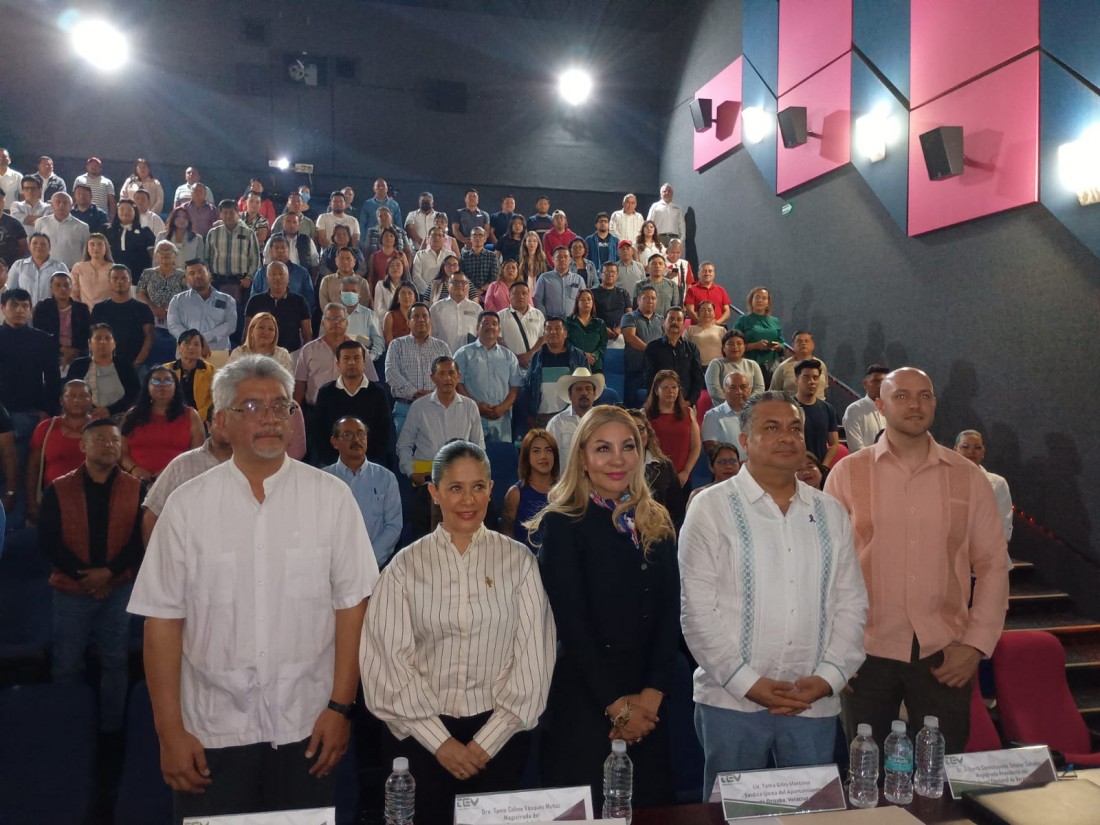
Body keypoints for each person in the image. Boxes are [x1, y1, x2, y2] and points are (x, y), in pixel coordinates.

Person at [129, 355, 379, 820]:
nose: (269, 417)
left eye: (280, 405)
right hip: (211, 730)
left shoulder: (331, 498)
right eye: (251, 406)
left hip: (308, 725)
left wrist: (340, 708)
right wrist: (169, 732)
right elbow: (161, 621)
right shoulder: (187, 506)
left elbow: (352, 608)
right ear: (221, 422)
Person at [361, 440, 555, 825]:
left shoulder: (519, 562)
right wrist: (442, 743)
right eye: (455, 488)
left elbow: (534, 662)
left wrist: (486, 744)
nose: (468, 500)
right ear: (434, 492)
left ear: (491, 489)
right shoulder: (404, 568)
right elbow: (386, 666)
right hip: (420, 739)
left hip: (501, 738)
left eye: (478, 486)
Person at [680, 392, 867, 787]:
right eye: (771, 427)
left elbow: (851, 602)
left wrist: (829, 677)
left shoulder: (829, 511)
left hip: (811, 701)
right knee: (731, 811)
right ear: (744, 441)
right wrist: (749, 684)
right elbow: (697, 612)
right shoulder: (710, 507)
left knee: (811, 809)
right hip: (730, 700)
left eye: (795, 428)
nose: (787, 436)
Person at [824, 367, 1010, 755]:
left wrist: (975, 644)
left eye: (925, 396)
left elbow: (992, 565)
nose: (915, 405)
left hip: (945, 651)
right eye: (902, 396)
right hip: (864, 651)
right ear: (880, 406)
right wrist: (832, 648)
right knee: (867, 774)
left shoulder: (967, 477)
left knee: (942, 771)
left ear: (935, 404)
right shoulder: (847, 472)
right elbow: (824, 566)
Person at [529, 406, 679, 807]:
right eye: (602, 448)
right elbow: (573, 625)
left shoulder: (656, 519)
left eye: (628, 447)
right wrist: (618, 707)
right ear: (581, 457)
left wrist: (651, 697)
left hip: (649, 708)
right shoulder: (563, 523)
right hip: (587, 701)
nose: (618, 459)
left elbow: (670, 615)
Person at [40, 418, 144, 736]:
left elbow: (139, 542)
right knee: (67, 663)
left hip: (118, 588)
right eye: (100, 439)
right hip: (71, 590)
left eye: (114, 440)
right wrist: (86, 577)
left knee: (115, 661)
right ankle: (69, 730)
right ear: (83, 445)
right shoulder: (59, 488)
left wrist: (109, 573)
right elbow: (49, 542)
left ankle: (112, 731)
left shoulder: (136, 488)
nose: (109, 445)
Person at [140, 411, 233, 545]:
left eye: (231, 420)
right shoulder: (183, 464)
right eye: (219, 420)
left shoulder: (254, 466)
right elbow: (152, 514)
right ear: (208, 426)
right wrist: (156, 555)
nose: (226, 425)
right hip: (189, 552)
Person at [322, 416, 402, 569]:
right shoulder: (323, 479)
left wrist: (369, 560)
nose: (356, 439)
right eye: (348, 435)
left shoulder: (386, 478)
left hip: (375, 566)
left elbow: (393, 525)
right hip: (332, 566)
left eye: (361, 434)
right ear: (334, 441)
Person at [397, 356, 484, 487]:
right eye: (441, 374)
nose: (447, 378)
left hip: (460, 475)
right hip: (425, 475)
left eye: (451, 373)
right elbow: (404, 444)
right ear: (432, 378)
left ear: (458, 376)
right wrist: (411, 472)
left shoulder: (470, 406)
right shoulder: (419, 406)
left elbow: (479, 446)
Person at [312, 341, 394, 468]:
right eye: (346, 358)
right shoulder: (326, 392)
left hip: (370, 465)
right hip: (333, 465)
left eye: (357, 358)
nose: (352, 363)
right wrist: (334, 465)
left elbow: (384, 433)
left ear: (364, 363)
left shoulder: (377, 393)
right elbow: (319, 432)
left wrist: (368, 464)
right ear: (338, 364)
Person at [119, 367, 206, 483]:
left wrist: (171, 471)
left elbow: (198, 453)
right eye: (156, 381)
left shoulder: (190, 415)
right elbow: (121, 452)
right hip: (136, 481)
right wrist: (134, 469)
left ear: (175, 386)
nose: (162, 385)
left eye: (168, 381)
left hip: (179, 480)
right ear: (147, 386)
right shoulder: (132, 415)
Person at [26, 380, 94, 525]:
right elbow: (33, 468)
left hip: (93, 501)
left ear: (91, 400)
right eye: (71, 396)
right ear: (61, 401)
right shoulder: (45, 428)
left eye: (83, 395)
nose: (77, 400)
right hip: (53, 501)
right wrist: (32, 502)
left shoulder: (103, 428)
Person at [454, 311, 523, 443]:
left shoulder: (509, 356)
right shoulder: (463, 354)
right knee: (472, 454)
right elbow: (457, 384)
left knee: (500, 454)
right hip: (471, 416)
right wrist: (475, 405)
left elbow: (515, 387)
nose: (490, 326)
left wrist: (502, 408)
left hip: (501, 419)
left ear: (499, 330)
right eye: (485, 323)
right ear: (477, 327)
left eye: (494, 324)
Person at [385, 302, 452, 435]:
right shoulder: (397, 345)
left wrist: (432, 394)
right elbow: (390, 373)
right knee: (403, 445)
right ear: (408, 322)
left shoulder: (442, 347)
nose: (421, 319)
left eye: (424, 316)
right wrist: (414, 393)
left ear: (430, 321)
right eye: (416, 316)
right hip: (405, 408)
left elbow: (450, 375)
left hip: (435, 407)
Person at [521, 317, 588, 429]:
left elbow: (587, 386)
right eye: (548, 329)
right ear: (544, 334)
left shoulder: (578, 356)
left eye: (557, 328)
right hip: (542, 418)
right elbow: (528, 387)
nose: (553, 332)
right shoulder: (537, 357)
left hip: (571, 417)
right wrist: (530, 415)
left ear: (565, 333)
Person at [501, 428, 560, 552]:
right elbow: (506, 537)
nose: (543, 456)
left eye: (548, 450)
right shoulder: (515, 494)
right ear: (527, 456)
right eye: (536, 451)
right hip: (523, 560)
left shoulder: (565, 491)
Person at [67, 324, 141, 417]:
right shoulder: (78, 366)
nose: (103, 342)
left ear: (114, 343)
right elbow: (69, 394)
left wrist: (110, 411)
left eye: (107, 338)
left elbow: (134, 395)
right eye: (98, 338)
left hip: (120, 418)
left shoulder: (125, 366)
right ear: (89, 343)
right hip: (84, 418)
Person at [644, 369, 702, 489]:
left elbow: (696, 446)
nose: (670, 391)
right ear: (656, 390)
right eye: (665, 387)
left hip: (682, 477)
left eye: (674, 387)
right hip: (653, 478)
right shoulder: (645, 415)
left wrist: (686, 471)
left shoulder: (688, 412)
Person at [90, 265, 155, 369]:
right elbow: (93, 337)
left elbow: (149, 337)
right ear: (109, 281)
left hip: (136, 364)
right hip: (105, 365)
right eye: (115, 278)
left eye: (124, 278)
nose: (119, 281)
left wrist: (137, 363)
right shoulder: (99, 309)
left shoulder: (143, 308)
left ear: (130, 281)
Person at [955, 429, 1014, 543]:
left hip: (987, 546)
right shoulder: (942, 480)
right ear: (955, 450)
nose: (971, 451)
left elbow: (1004, 522)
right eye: (965, 447)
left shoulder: (998, 483)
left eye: (977, 447)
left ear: (983, 452)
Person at [166, 260, 237, 354]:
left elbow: (230, 325)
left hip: (218, 354)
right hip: (187, 354)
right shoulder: (177, 301)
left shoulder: (227, 300)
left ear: (209, 274)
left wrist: (203, 338)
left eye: (201, 271)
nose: (197, 276)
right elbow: (173, 325)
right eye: (192, 273)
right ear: (186, 278)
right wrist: (193, 340)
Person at [137, 240, 189, 364]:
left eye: (168, 251)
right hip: (151, 319)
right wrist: (154, 309)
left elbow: (186, 296)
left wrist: (166, 309)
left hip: (175, 319)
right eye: (161, 251)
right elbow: (140, 293)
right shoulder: (148, 273)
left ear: (175, 256)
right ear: (156, 255)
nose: (165, 254)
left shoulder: (182, 275)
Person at [205, 199, 260, 311]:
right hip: (218, 282)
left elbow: (255, 258)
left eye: (231, 212)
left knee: (239, 314)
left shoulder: (248, 233)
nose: (228, 215)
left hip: (241, 282)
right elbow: (207, 257)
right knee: (218, 314)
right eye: (225, 212)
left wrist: (249, 277)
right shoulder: (213, 233)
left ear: (237, 213)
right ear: (220, 214)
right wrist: (209, 276)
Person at [244, 261, 312, 353]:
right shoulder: (255, 301)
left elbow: (307, 334)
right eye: (273, 274)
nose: (277, 278)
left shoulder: (299, 301)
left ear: (288, 279)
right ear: (267, 279)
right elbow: (247, 333)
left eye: (281, 274)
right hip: (260, 354)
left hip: (292, 353)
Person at [643, 307, 705, 406]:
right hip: (659, 404)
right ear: (663, 322)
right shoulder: (653, 347)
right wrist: (656, 402)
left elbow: (698, 379)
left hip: (685, 403)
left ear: (684, 324)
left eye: (679, 320)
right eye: (671, 319)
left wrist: (689, 402)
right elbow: (648, 378)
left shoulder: (691, 348)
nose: (675, 322)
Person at [32, 273, 90, 370]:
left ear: (71, 287)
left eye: (66, 285)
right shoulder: (43, 307)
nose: (62, 289)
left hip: (76, 352)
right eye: (58, 285)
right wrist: (62, 349)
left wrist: (72, 352)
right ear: (51, 287)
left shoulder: (81, 308)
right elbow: (39, 333)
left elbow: (85, 334)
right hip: (51, 350)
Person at [546, 367, 603, 460]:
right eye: (578, 389)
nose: (584, 393)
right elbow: (550, 457)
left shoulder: (602, 421)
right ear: (570, 395)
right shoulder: (557, 423)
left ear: (594, 394)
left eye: (588, 389)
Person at [621, 285, 664, 406]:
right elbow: (630, 338)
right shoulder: (629, 317)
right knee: (631, 405)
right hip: (635, 369)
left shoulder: (661, 319)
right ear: (638, 300)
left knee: (655, 404)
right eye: (646, 298)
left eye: (653, 298)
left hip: (656, 370)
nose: (650, 301)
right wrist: (651, 350)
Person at [793, 359, 840, 469]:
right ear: (796, 380)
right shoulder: (787, 407)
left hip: (820, 468)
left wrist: (824, 466)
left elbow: (834, 444)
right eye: (806, 377)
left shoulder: (827, 408)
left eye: (815, 378)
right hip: (793, 468)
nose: (811, 382)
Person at [734, 286, 784, 383]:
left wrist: (778, 346)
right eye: (757, 297)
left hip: (772, 366)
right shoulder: (743, 320)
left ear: (768, 303)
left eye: (764, 298)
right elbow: (734, 345)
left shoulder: (775, 321)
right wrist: (755, 345)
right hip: (749, 364)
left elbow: (782, 342)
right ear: (751, 301)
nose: (760, 300)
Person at [164, 330, 217, 422]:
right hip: (172, 419)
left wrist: (196, 418)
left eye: (196, 344)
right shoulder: (167, 370)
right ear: (178, 347)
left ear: (201, 348)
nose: (191, 347)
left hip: (202, 420)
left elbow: (215, 400)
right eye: (187, 343)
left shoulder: (210, 371)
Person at [7, 231, 68, 306]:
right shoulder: (18, 265)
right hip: (24, 310)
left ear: (49, 248)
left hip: (51, 310)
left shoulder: (60, 267)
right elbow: (10, 290)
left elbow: (67, 291)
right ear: (29, 247)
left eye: (43, 244)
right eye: (35, 243)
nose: (39, 246)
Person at [702, 371, 751, 458]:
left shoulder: (757, 414)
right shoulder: (712, 416)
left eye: (743, 387)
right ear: (724, 391)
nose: (739, 392)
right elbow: (712, 450)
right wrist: (737, 464)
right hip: (729, 465)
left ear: (749, 390)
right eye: (733, 388)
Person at [706, 329, 766, 400]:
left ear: (744, 347)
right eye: (730, 344)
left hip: (749, 405)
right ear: (723, 348)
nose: (735, 346)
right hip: (724, 405)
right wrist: (732, 403)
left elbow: (759, 389)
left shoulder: (753, 364)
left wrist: (747, 403)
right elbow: (714, 391)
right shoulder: (716, 364)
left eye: (739, 343)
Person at [429, 271, 481, 353]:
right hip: (442, 355)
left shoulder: (476, 309)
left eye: (463, 283)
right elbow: (430, 334)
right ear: (448, 285)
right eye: (455, 282)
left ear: (468, 287)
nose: (459, 285)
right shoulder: (436, 308)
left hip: (469, 356)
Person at [103, 199, 156, 278]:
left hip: (139, 276)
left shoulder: (145, 232)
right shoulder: (106, 231)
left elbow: (153, 256)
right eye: (122, 209)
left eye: (129, 209)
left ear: (135, 212)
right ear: (117, 211)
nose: (125, 212)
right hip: (112, 275)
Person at [34, 192, 89, 268]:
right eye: (58, 202)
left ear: (71, 206)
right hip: (46, 269)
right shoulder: (41, 223)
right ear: (52, 205)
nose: (61, 205)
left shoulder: (82, 227)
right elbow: (34, 246)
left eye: (65, 203)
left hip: (72, 270)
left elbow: (86, 251)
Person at [771, 330, 829, 401]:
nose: (803, 343)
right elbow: (773, 392)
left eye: (806, 341)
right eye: (799, 341)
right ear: (793, 345)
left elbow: (825, 387)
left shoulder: (821, 365)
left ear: (813, 345)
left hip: (819, 406)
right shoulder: (783, 367)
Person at [842, 364, 888, 451]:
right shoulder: (854, 410)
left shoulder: (893, 410)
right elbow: (856, 448)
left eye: (884, 382)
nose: (880, 385)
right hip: (865, 459)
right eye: (876, 381)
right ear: (865, 384)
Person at [229, 312, 294, 372]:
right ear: (252, 330)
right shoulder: (238, 353)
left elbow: (287, 380)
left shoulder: (282, 355)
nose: (266, 332)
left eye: (271, 329)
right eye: (261, 327)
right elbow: (229, 378)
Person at [534, 246, 585, 320]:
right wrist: (545, 319)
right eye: (559, 257)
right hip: (551, 321)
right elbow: (538, 300)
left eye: (565, 257)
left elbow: (583, 300)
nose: (562, 259)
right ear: (553, 259)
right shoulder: (544, 278)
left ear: (570, 259)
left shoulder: (578, 279)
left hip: (573, 321)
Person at [566, 288, 608, 373]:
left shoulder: (600, 323)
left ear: (593, 302)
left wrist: (594, 356)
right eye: (582, 299)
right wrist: (582, 355)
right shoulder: (568, 321)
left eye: (589, 299)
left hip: (594, 364)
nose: (586, 302)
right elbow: (566, 343)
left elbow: (603, 345)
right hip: (574, 364)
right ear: (577, 302)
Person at [592, 262, 631, 350]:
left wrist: (620, 327)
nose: (610, 275)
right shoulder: (592, 293)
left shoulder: (623, 293)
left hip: (620, 335)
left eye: (613, 272)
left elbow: (629, 314)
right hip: (597, 334)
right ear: (600, 274)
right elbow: (588, 315)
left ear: (617, 275)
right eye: (607, 272)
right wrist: (603, 328)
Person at [70, 233, 114, 307]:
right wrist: (81, 310)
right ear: (87, 248)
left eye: (100, 244)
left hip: (108, 310)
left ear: (106, 248)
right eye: (92, 244)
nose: (96, 247)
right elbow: (73, 293)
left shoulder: (114, 269)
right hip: (84, 311)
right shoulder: (78, 267)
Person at [684, 261, 732, 325]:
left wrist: (718, 322)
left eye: (710, 271)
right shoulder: (692, 290)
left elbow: (727, 311)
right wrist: (701, 322)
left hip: (718, 327)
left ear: (714, 274)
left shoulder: (721, 290)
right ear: (698, 274)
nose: (707, 273)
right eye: (704, 271)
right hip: (699, 327)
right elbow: (690, 311)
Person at [460, 226, 499, 297]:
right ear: (471, 239)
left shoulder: (492, 256)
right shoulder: (464, 256)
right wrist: (473, 291)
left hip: (487, 292)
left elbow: (494, 275)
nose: (477, 238)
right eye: (474, 236)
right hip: (467, 292)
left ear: (485, 239)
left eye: (480, 236)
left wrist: (482, 289)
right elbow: (462, 275)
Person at [684, 301, 724, 365]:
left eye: (709, 310)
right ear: (698, 314)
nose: (706, 313)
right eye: (703, 310)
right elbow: (683, 347)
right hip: (696, 365)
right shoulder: (690, 329)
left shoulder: (721, 330)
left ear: (714, 313)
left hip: (716, 365)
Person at [646, 183, 685, 247]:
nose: (667, 193)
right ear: (661, 193)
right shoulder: (655, 206)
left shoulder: (678, 208)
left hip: (674, 239)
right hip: (659, 238)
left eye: (669, 191)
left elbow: (681, 224)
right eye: (664, 191)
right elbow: (649, 223)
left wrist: (681, 239)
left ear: (672, 193)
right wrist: (650, 239)